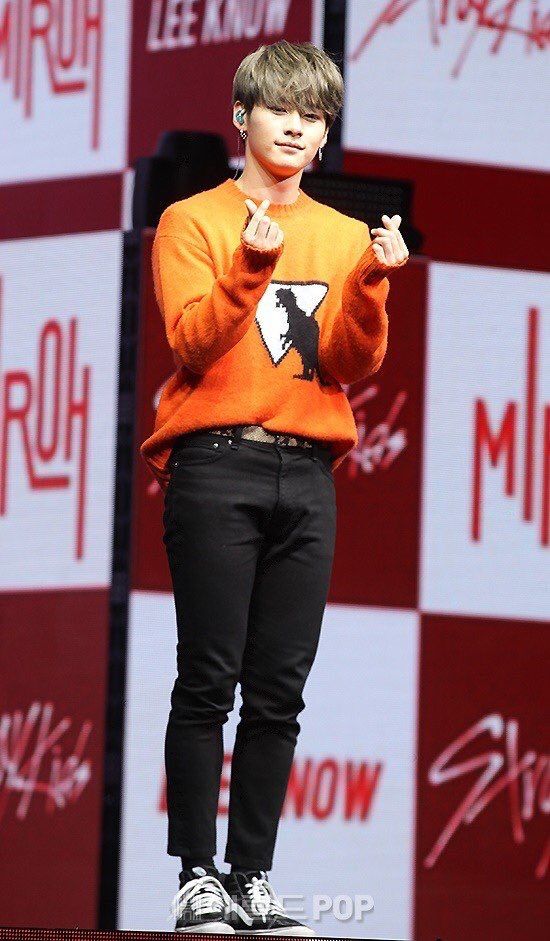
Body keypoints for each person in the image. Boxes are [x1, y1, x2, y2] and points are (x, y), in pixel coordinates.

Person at [140, 39, 409, 935]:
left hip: (310, 470)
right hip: (216, 462)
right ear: (241, 117)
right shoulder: (192, 220)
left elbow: (346, 362)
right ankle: (195, 875)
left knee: (281, 690)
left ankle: (252, 875)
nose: (296, 125)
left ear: (325, 135)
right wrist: (253, 263)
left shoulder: (336, 234)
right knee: (207, 679)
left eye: (314, 115)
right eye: (279, 108)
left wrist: (369, 282)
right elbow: (190, 343)